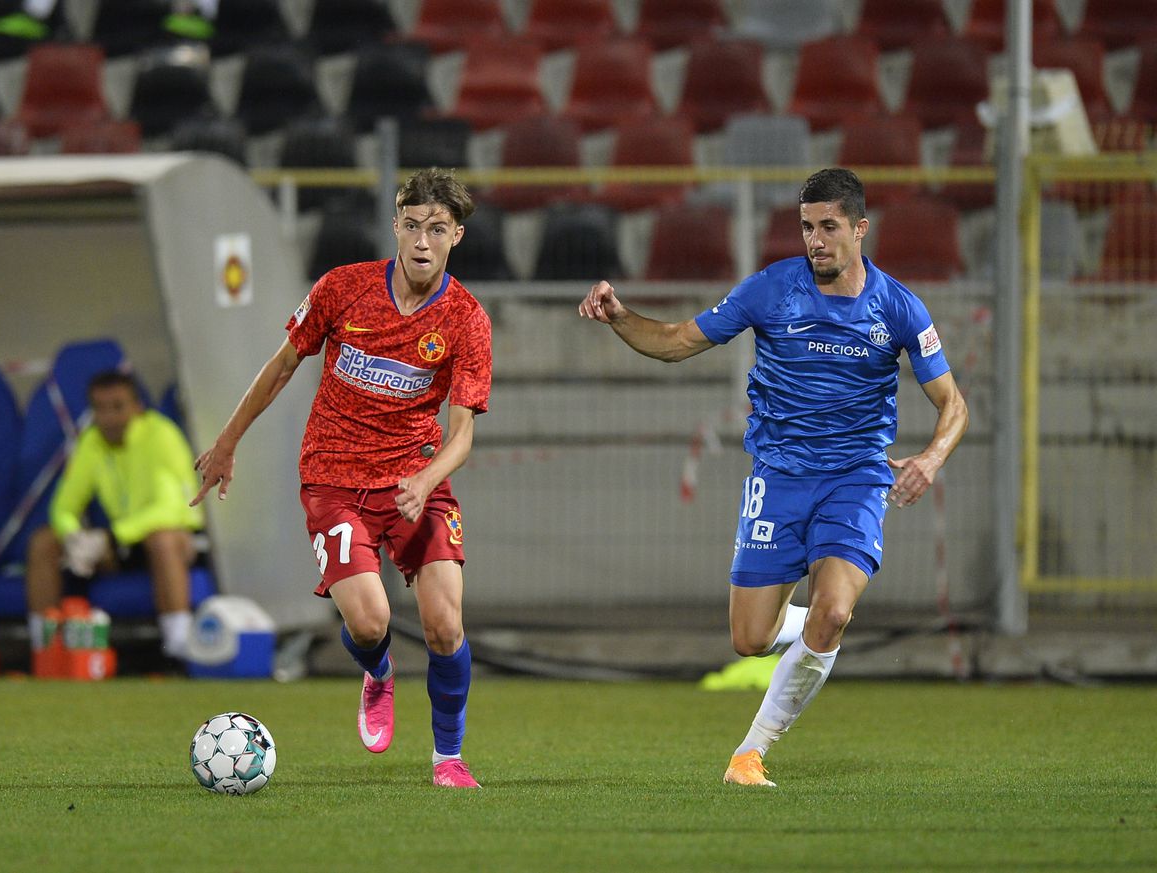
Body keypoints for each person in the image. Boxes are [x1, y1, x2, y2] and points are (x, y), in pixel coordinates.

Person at [578, 168, 968, 787]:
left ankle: (749, 754)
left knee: (835, 612)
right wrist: (621, 317)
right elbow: (679, 341)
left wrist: (930, 458)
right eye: (807, 227)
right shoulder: (771, 289)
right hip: (779, 476)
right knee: (750, 639)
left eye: (829, 227)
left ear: (860, 229)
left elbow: (954, 404)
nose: (815, 240)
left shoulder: (898, 308)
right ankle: (804, 625)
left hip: (856, 477)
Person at [191, 167, 492, 789]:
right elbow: (280, 368)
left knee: (445, 624)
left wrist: (426, 478)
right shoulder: (342, 289)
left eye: (437, 229)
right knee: (370, 621)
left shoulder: (466, 321)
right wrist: (227, 442)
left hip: (417, 482)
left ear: (456, 236)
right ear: (395, 226)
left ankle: (448, 758)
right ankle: (377, 671)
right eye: (412, 225)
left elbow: (461, 431)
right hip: (333, 477)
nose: (422, 240)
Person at [25, 370, 204, 662]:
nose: (108, 417)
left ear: (137, 407)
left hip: (174, 539)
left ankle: (180, 647)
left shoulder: (161, 435)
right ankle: (45, 649)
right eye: (99, 408)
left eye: (117, 406)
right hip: (115, 544)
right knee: (44, 540)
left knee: (162, 539)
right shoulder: (91, 442)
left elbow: (174, 509)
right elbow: (63, 507)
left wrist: (111, 536)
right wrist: (74, 538)